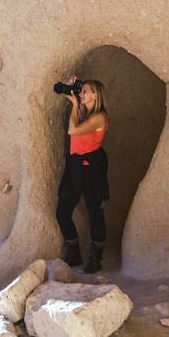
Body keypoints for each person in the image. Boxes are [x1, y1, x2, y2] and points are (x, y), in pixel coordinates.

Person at [56, 77, 109, 273]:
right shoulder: (85, 114)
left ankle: (96, 258)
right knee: (62, 212)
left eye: (85, 91)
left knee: (95, 212)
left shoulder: (99, 117)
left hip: (91, 168)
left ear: (95, 95)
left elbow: (73, 130)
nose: (82, 93)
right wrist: (72, 93)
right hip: (75, 166)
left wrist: (74, 106)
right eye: (82, 90)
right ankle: (74, 252)